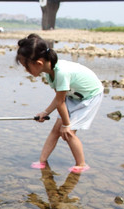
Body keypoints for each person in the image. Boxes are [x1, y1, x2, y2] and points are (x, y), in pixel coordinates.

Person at [15, 34, 104, 173]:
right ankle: (42, 161)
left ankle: (81, 164)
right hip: (73, 95)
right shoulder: (49, 73)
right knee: (56, 130)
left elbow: (61, 101)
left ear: (38, 63)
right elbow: (59, 98)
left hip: (89, 96)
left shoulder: (61, 73)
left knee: (68, 132)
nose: (26, 71)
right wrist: (46, 112)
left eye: (27, 67)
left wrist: (67, 125)